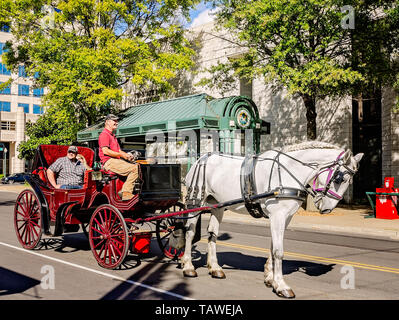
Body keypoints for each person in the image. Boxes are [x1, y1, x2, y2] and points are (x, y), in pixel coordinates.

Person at [98, 114, 139, 200]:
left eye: (117, 121)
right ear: (107, 122)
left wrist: (127, 156)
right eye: (114, 121)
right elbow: (105, 151)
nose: (117, 123)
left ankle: (127, 190)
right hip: (109, 162)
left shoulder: (113, 136)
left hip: (115, 161)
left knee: (138, 166)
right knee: (135, 168)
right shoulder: (104, 134)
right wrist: (121, 155)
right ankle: (126, 192)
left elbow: (118, 151)